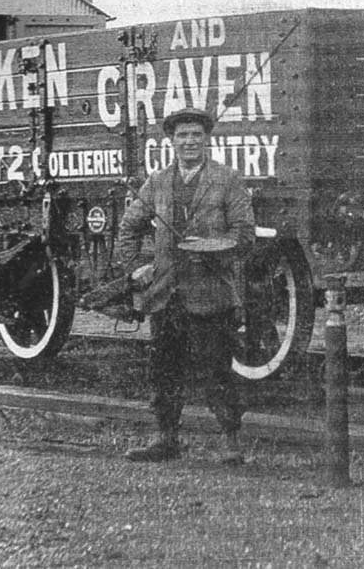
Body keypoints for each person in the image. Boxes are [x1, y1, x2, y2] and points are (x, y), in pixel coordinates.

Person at [117, 107, 255, 464]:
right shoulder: (158, 182)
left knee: (216, 370)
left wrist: (213, 246)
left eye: (196, 134)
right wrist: (136, 268)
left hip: (210, 294)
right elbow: (129, 228)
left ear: (206, 139)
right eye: (182, 136)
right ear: (172, 141)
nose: (189, 141)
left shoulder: (228, 179)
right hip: (166, 295)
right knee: (164, 370)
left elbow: (245, 235)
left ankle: (231, 442)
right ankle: (166, 439)